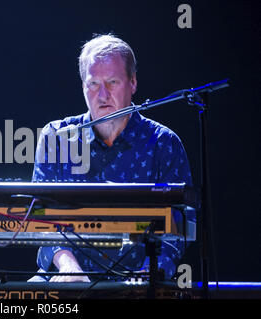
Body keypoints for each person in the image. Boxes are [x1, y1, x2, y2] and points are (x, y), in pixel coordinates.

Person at [30, 34, 193, 283]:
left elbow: (182, 221)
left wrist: (150, 272)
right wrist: (68, 266)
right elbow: (40, 215)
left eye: (113, 82)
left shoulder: (163, 143)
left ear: (133, 83)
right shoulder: (57, 137)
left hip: (141, 280)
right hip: (67, 277)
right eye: (93, 84)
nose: (102, 95)